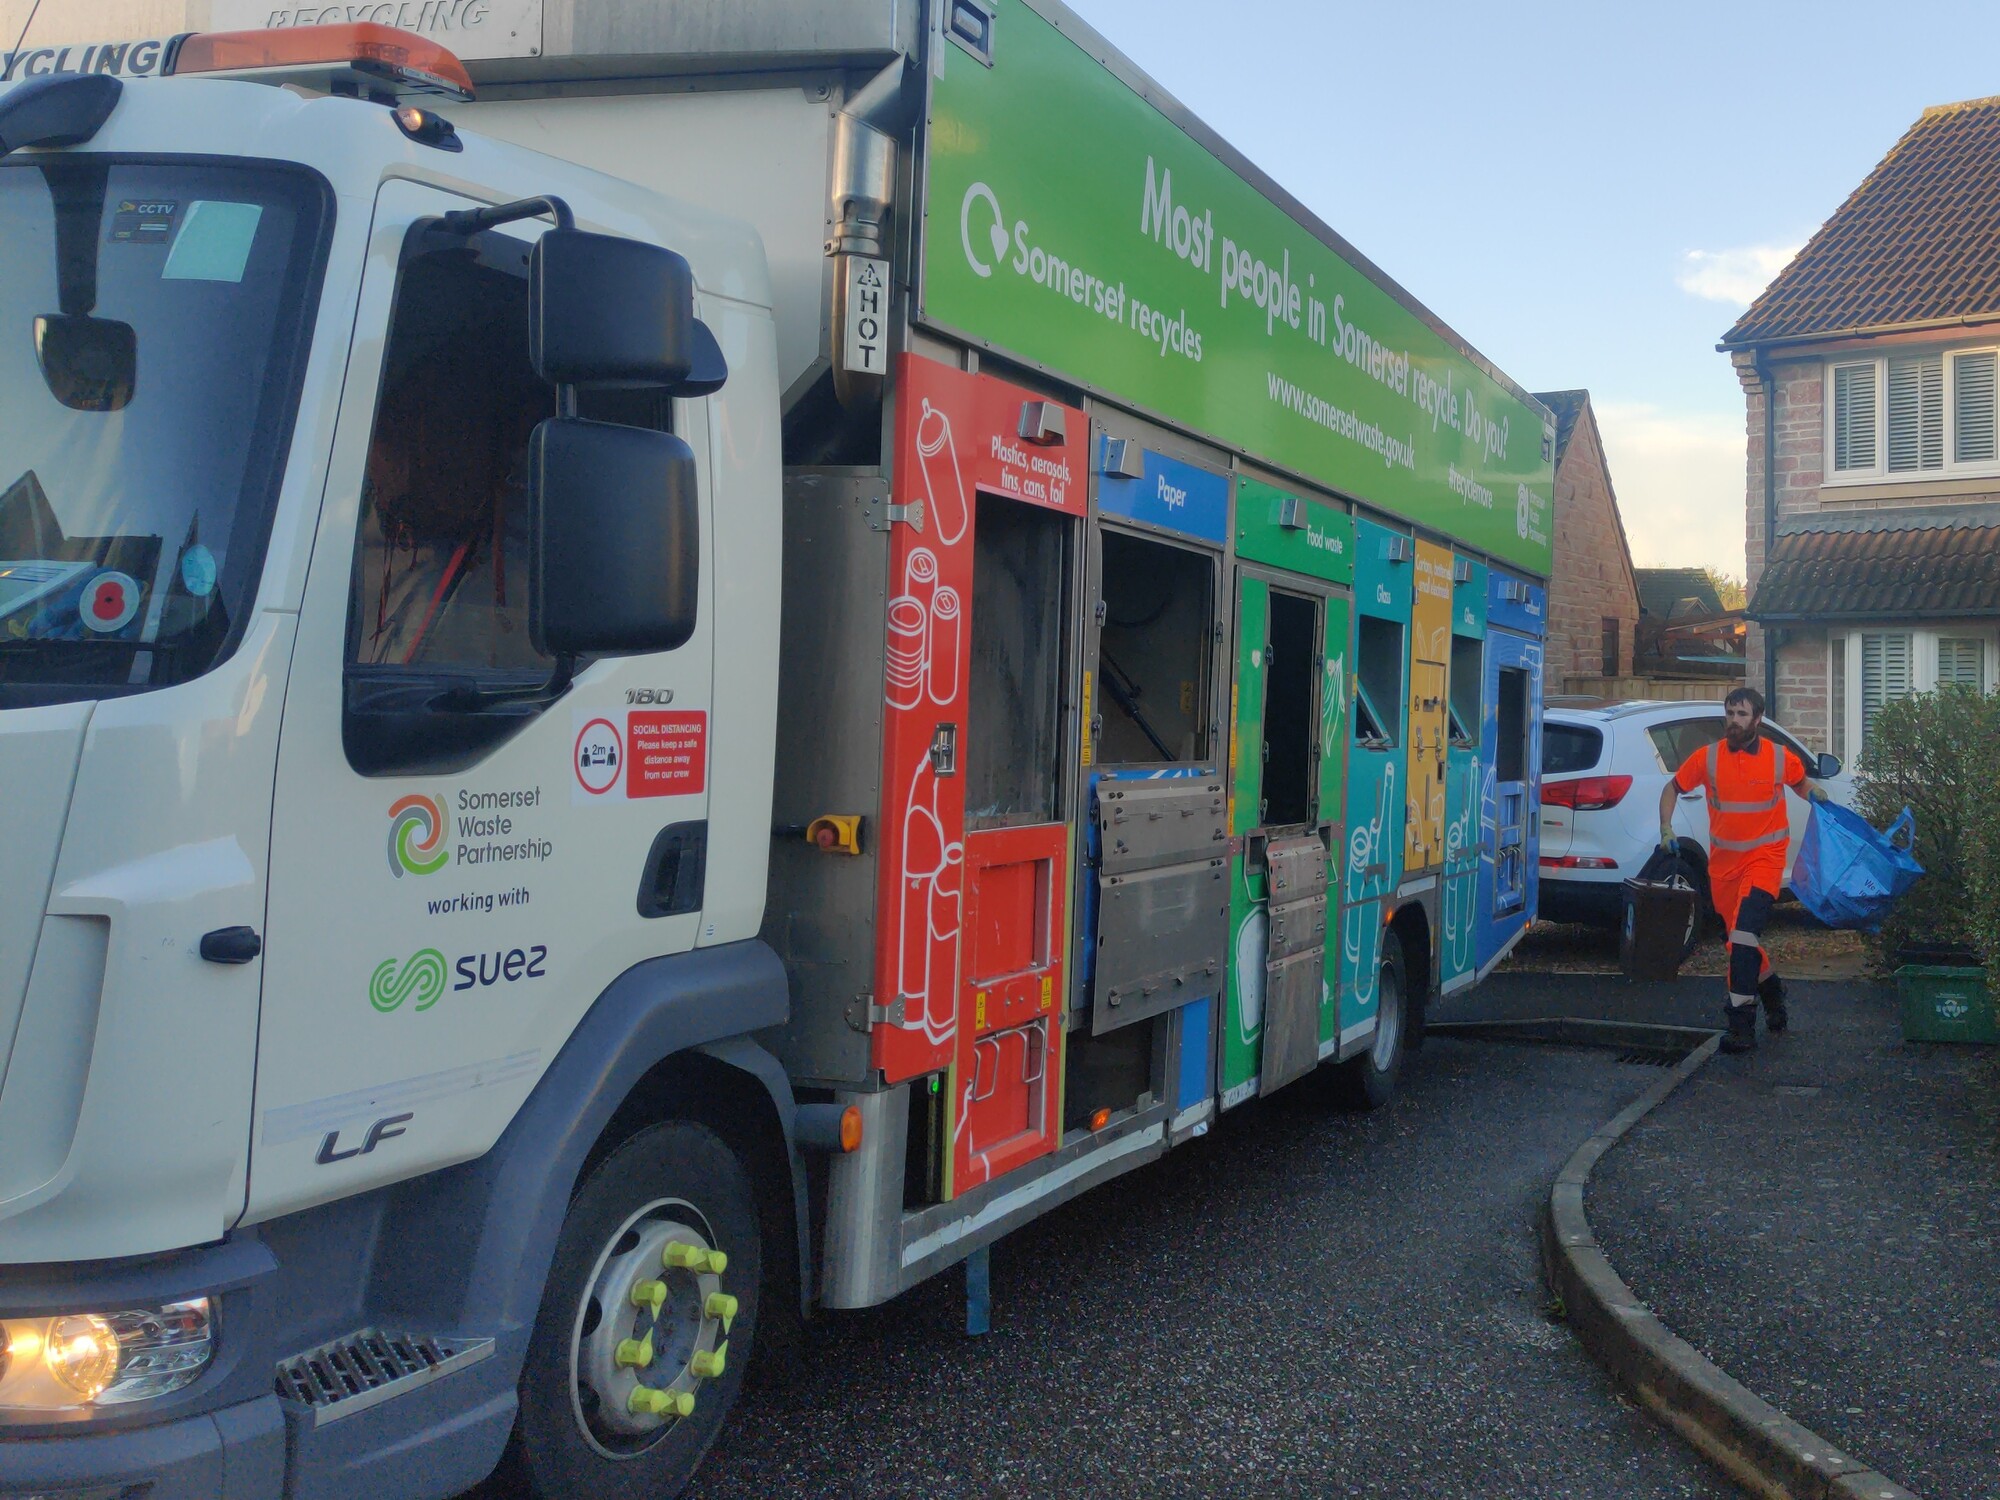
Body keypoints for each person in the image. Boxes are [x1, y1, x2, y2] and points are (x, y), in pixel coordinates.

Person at [1656, 686, 1827, 1053]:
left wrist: (1814, 794)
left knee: (1745, 937)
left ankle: (1741, 1023)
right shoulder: (1708, 758)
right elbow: (1671, 789)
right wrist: (1666, 827)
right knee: (1738, 942)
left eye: (1742, 714)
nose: (1734, 721)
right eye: (1730, 713)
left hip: (1765, 860)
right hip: (1724, 868)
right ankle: (1774, 994)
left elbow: (1801, 782)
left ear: (1758, 720)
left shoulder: (1779, 757)